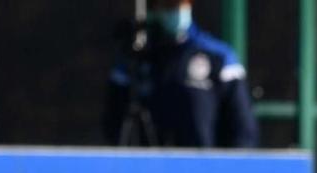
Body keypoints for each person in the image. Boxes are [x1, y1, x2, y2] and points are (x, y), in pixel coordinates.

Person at [103, 4, 258, 150]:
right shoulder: (138, 59)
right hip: (149, 170)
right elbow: (114, 125)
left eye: (177, 3)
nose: (173, 9)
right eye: (166, 4)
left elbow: (242, 130)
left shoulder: (217, 56)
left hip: (201, 171)